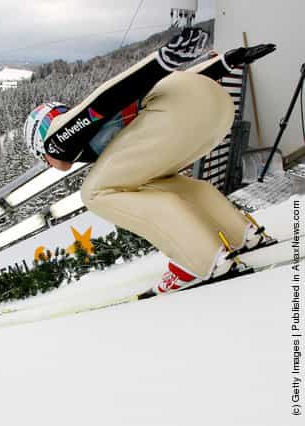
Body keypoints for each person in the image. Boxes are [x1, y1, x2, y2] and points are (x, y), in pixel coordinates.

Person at [23, 27, 276, 294]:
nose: (50, 164)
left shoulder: (57, 139)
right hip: (215, 109)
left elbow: (105, 98)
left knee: (95, 192)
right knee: (160, 182)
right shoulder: (112, 141)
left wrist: (162, 60)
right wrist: (228, 62)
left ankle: (198, 259)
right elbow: (174, 87)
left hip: (176, 115)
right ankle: (240, 234)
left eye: (43, 159)